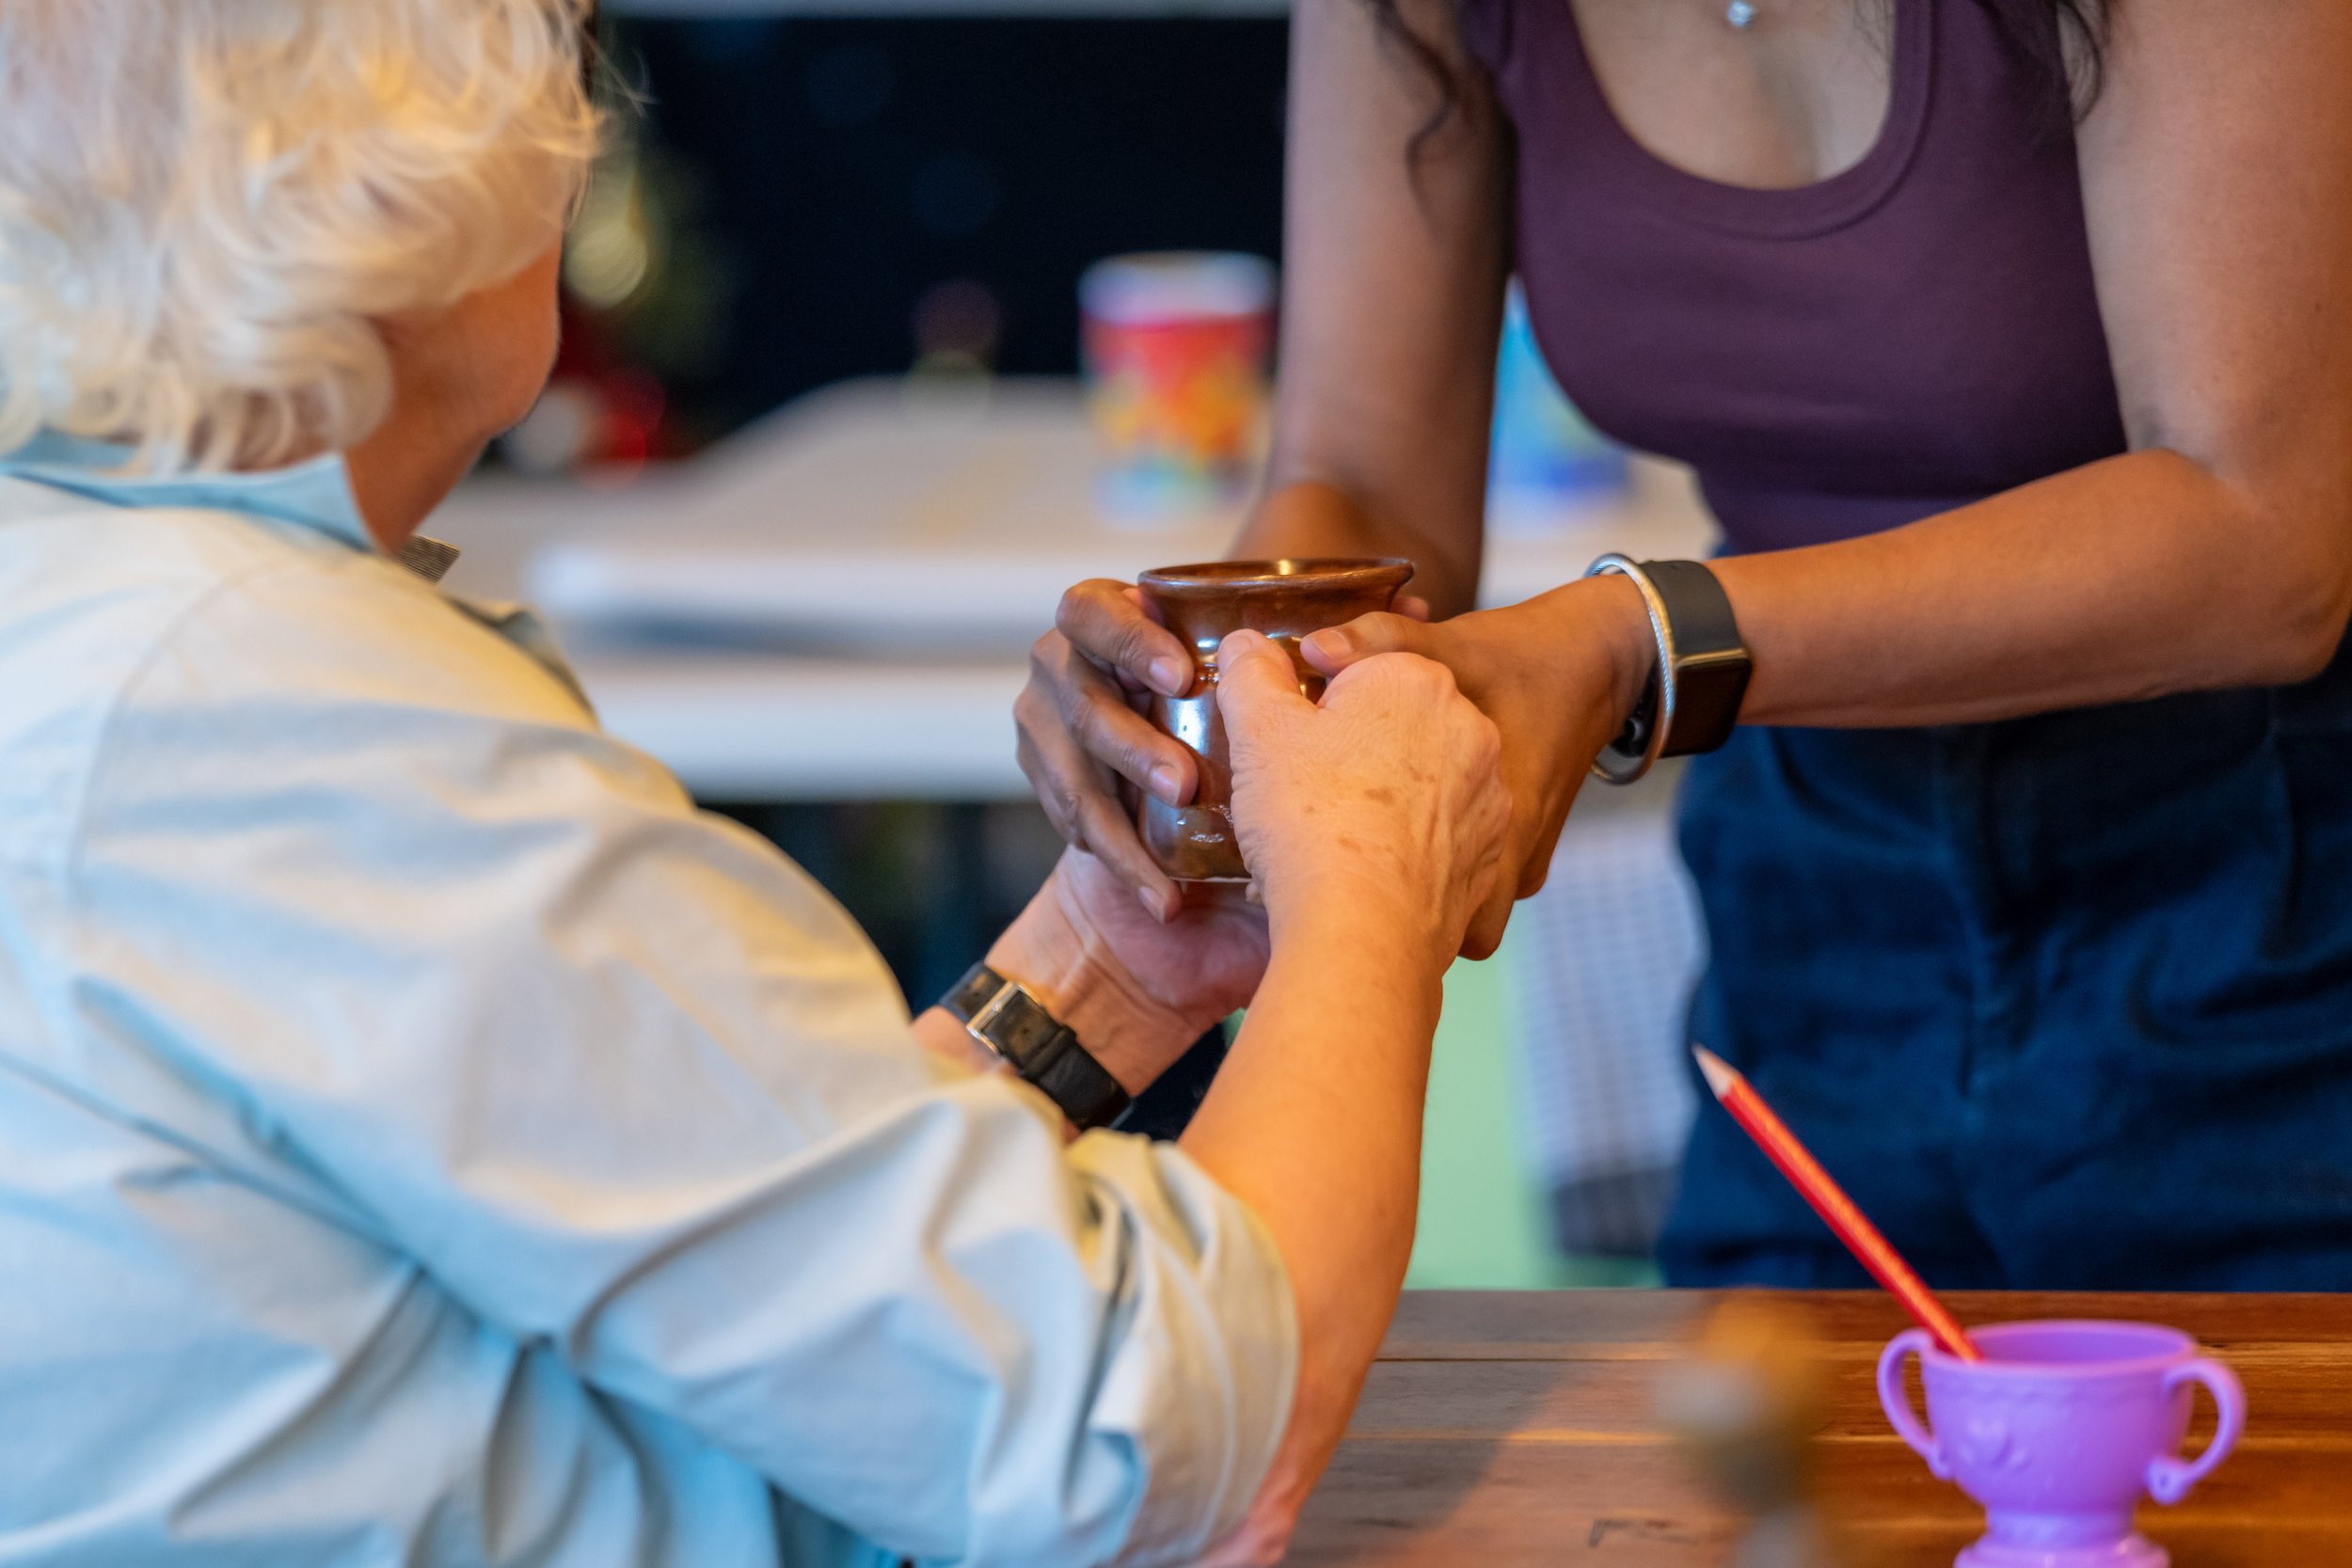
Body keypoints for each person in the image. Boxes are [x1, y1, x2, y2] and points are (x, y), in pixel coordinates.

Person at [0, 3, 1512, 1564]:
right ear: (402, 191)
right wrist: (1367, 881)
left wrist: (1100, 974)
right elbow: (1156, 1440)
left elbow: (714, 1266)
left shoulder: (113, 624)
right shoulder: (295, 718)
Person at [1020, 0, 2352, 1289]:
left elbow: (2265, 534)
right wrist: (1204, 675)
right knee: (1785, 1496)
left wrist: (1638, 642)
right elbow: (1364, 477)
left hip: (2275, 868)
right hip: (1812, 879)